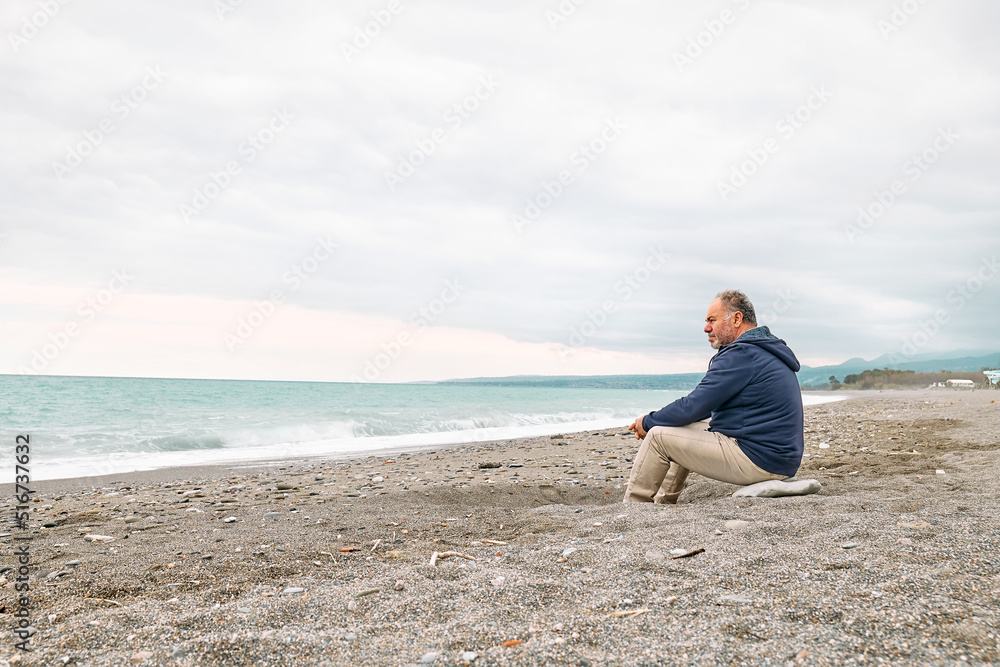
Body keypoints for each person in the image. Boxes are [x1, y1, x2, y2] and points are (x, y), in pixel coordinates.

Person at [623, 290, 804, 504]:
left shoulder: (742, 354)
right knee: (678, 428)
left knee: (658, 436)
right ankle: (663, 501)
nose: (706, 328)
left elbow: (694, 405)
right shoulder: (761, 351)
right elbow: (702, 408)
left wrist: (648, 422)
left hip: (759, 459)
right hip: (778, 458)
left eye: (712, 320)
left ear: (737, 319)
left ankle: (634, 507)